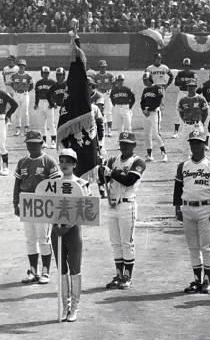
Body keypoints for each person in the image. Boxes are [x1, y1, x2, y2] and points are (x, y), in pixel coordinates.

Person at [173, 129, 210, 295]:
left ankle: (207, 280)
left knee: (206, 247)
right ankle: (197, 279)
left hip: (206, 209)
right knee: (193, 247)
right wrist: (177, 208)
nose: (195, 145)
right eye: (193, 142)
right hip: (187, 208)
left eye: (199, 142)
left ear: (205, 145)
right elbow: (178, 189)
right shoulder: (183, 166)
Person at [12, 131, 61, 284]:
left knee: (44, 238)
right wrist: (16, 203)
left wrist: (54, 206)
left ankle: (45, 271)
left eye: (35, 143)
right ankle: (33, 271)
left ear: (42, 144)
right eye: (29, 143)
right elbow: (17, 184)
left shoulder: (49, 161)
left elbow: (56, 185)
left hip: (43, 203)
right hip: (26, 201)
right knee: (30, 239)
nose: (32, 146)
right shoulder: (22, 162)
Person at [101, 132, 146, 290]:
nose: (124, 146)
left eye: (127, 144)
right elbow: (104, 180)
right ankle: (118, 275)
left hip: (128, 204)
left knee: (127, 242)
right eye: (122, 143)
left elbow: (129, 180)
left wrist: (111, 172)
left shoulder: (138, 161)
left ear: (134, 145)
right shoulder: (113, 160)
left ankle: (127, 276)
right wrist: (102, 170)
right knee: (115, 243)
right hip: (112, 204)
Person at [50, 148, 91, 322]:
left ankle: (74, 307)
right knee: (62, 270)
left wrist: (67, 227)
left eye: (68, 161)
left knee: (75, 268)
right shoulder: (53, 183)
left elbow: (87, 209)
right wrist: (55, 225)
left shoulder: (82, 183)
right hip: (56, 230)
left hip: (73, 231)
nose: (64, 164)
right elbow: (46, 207)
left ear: (74, 164)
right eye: (62, 161)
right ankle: (64, 307)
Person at [139, 73, 167, 162]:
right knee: (147, 134)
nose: (145, 81)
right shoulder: (145, 90)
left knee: (156, 134)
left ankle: (164, 153)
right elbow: (142, 102)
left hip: (155, 113)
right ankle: (149, 154)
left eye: (146, 80)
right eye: (144, 80)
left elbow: (158, 101)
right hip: (146, 114)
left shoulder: (157, 88)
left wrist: (149, 109)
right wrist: (143, 110)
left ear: (150, 79)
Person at [177, 79, 210, 149]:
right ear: (187, 87)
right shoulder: (183, 100)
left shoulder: (201, 99)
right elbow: (181, 112)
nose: (190, 88)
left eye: (192, 86)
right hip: (186, 125)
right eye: (189, 86)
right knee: (185, 147)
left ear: (195, 87)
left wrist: (201, 122)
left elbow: (206, 112)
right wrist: (185, 121)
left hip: (197, 125)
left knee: (198, 147)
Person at [172, 58, 197, 139]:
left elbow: (194, 83)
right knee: (178, 110)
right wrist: (187, 83)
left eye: (188, 66)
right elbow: (176, 83)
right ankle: (176, 131)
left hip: (190, 93)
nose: (187, 67)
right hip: (182, 92)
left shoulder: (193, 73)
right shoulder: (180, 73)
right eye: (185, 66)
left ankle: (193, 131)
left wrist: (183, 83)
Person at [9, 59, 33, 136]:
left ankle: (26, 128)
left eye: (23, 65)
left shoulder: (28, 76)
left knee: (25, 112)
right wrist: (16, 90)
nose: (21, 67)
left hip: (25, 94)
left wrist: (26, 91)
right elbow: (11, 84)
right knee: (17, 112)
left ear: (25, 66)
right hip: (17, 94)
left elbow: (32, 86)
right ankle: (18, 129)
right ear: (18, 66)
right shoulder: (14, 75)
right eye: (20, 65)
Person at [34, 66, 56, 147]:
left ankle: (53, 141)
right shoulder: (38, 83)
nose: (45, 74)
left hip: (49, 103)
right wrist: (36, 103)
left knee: (51, 123)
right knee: (42, 123)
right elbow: (37, 94)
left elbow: (55, 94)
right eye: (44, 73)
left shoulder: (52, 82)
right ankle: (44, 141)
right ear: (41, 73)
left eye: (47, 73)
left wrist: (52, 103)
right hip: (40, 103)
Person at [92, 60, 116, 137]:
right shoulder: (96, 76)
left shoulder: (110, 75)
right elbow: (93, 85)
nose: (103, 68)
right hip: (99, 94)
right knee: (101, 112)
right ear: (99, 67)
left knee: (108, 112)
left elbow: (114, 84)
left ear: (106, 67)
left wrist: (111, 91)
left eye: (104, 67)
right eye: (101, 67)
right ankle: (103, 129)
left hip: (108, 93)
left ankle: (109, 129)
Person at [0, 85, 19, 175]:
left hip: (1, 120)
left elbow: (15, 104)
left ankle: (5, 167)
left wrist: (8, 115)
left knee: (2, 144)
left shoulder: (3, 94)